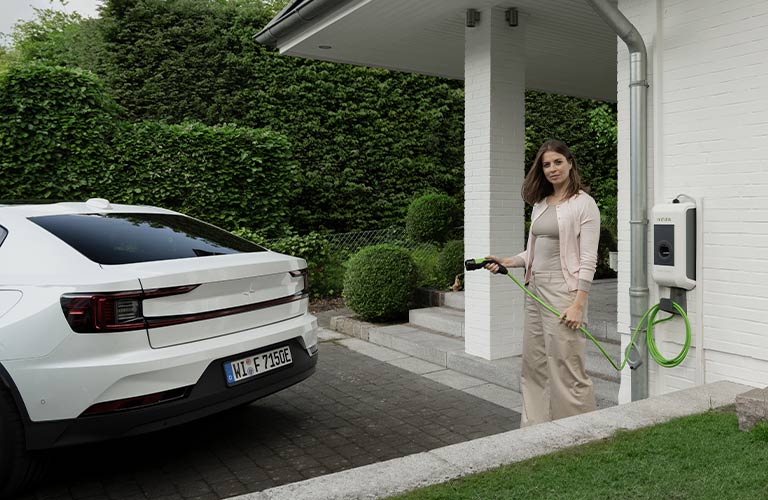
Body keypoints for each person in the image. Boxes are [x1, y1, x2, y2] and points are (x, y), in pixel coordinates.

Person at [484, 139, 600, 427]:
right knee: (534, 363)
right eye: (546, 164)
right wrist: (509, 261)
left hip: (564, 291)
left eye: (557, 162)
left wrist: (578, 304)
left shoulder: (584, 204)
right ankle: (535, 428)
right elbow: (536, 250)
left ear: (570, 163)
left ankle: (580, 428)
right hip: (535, 288)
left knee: (566, 363)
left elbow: (588, 258)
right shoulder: (540, 204)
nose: (552, 169)